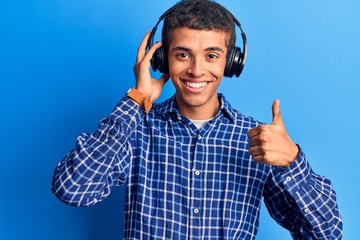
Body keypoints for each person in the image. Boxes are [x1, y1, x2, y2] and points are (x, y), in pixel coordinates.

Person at [52, 0, 343, 239]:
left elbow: (325, 235)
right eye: (182, 54)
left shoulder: (257, 141)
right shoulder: (136, 127)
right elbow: (73, 188)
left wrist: (293, 162)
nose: (196, 70)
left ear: (231, 62)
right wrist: (136, 100)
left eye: (212, 55)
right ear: (162, 59)